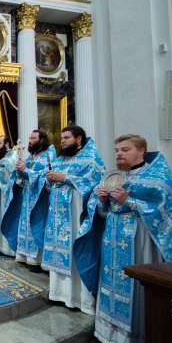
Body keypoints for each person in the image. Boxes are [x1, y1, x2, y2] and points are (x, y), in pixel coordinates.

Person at [93, 134, 172, 343]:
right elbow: (105, 212)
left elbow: (168, 210)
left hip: (139, 240)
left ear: (141, 151)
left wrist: (130, 201)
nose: (119, 154)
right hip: (112, 238)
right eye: (116, 150)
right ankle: (109, 335)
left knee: (134, 288)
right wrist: (101, 199)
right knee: (111, 282)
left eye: (125, 149)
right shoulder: (115, 176)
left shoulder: (158, 176)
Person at [42, 125, 105, 314]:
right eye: (61, 137)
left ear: (78, 139)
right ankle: (59, 293)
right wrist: (50, 180)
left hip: (76, 212)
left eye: (67, 137)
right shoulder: (60, 159)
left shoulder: (91, 159)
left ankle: (80, 299)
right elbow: (50, 184)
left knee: (74, 248)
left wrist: (66, 177)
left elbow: (97, 182)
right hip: (57, 214)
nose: (62, 141)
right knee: (59, 250)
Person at [10, 129, 57, 268]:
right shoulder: (31, 157)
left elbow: (48, 175)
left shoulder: (49, 155)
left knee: (37, 224)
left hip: (41, 198)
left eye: (33, 138)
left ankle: (37, 259)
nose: (30, 141)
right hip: (28, 195)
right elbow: (25, 176)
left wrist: (27, 170)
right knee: (25, 224)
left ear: (42, 140)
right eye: (30, 138)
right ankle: (24, 254)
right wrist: (19, 172)